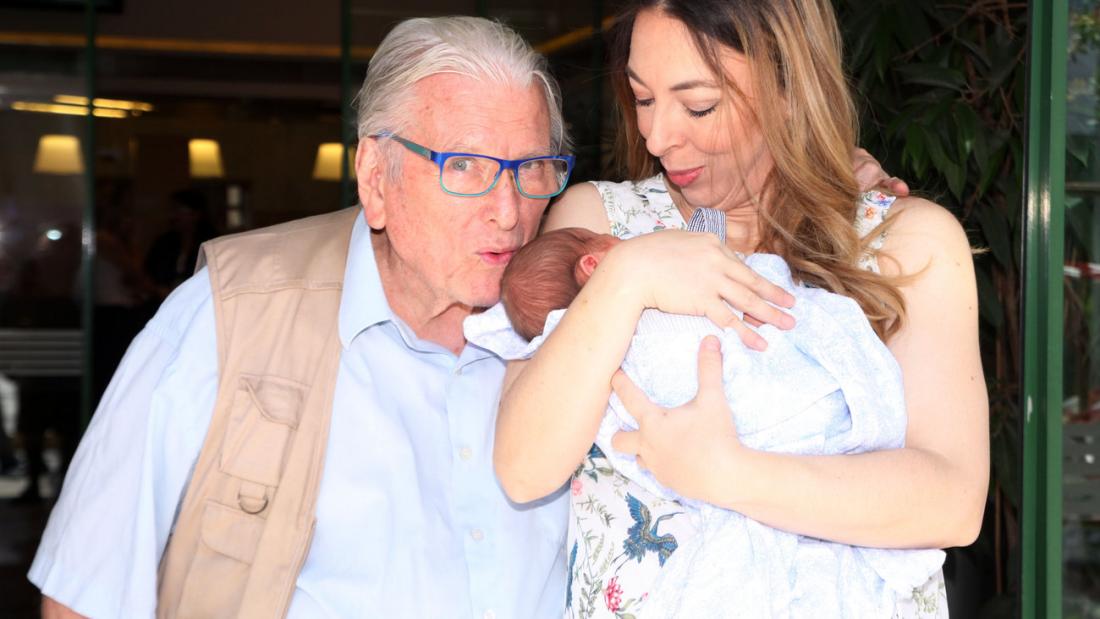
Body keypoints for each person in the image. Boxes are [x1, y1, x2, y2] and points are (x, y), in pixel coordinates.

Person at [30, 14, 900, 619]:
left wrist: (818, 178)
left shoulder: (581, 315)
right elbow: (83, 592)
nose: (509, 209)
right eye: (466, 168)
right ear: (376, 177)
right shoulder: (232, 316)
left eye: (532, 168)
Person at [493, 1, 988, 617]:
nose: (656, 137)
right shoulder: (598, 228)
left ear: (789, 88)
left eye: (699, 105)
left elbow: (951, 501)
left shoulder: (905, 243)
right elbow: (522, 467)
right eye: (643, 98)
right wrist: (627, 277)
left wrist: (728, 474)